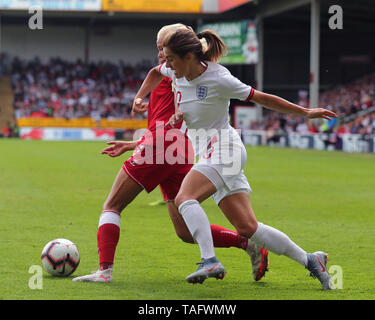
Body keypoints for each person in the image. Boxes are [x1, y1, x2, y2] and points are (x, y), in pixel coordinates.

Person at [133, 27, 337, 290]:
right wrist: (141, 98)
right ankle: (311, 260)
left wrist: (305, 112)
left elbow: (262, 98)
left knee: (185, 198)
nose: (166, 63)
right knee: (247, 227)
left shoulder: (219, 78)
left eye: (171, 58)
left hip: (225, 148)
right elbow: (153, 73)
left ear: (188, 57)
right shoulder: (174, 71)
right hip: (210, 153)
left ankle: (209, 260)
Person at [72, 24, 269, 283]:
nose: (160, 54)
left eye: (162, 48)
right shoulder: (177, 70)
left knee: (112, 205)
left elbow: (167, 123)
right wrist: (135, 139)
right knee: (185, 231)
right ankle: (247, 244)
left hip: (162, 148)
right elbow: (169, 121)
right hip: (178, 150)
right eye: (158, 49)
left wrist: (141, 138)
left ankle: (104, 271)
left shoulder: (176, 72)